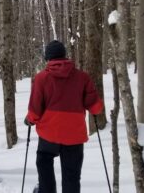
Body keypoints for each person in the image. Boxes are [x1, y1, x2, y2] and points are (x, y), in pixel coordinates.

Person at [24, 40, 103, 193]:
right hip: (74, 136)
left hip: (49, 135)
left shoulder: (41, 78)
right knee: (71, 176)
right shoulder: (82, 77)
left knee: (44, 162)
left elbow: (35, 109)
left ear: (48, 58)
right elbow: (95, 108)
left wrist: (30, 120)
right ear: (64, 55)